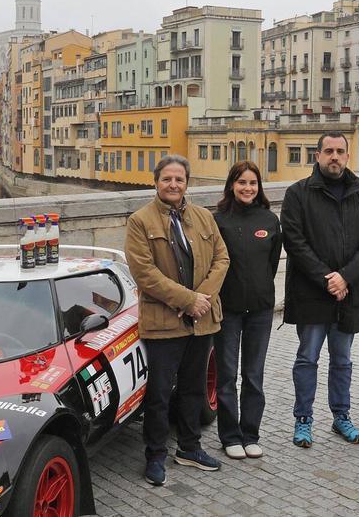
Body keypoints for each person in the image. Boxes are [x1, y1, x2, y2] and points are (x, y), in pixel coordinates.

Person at [124, 155, 230, 486]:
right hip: (162, 322)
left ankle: (189, 447)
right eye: (167, 179)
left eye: (179, 180)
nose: (173, 185)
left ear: (187, 183)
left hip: (201, 320)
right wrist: (186, 300)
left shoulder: (202, 217)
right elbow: (144, 272)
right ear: (156, 182)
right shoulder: (140, 221)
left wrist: (202, 300)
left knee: (193, 389)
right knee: (159, 395)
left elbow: (221, 258)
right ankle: (155, 455)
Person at [281, 131, 359, 448]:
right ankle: (303, 420)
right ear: (318, 155)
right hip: (312, 293)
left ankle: (341, 416)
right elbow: (295, 242)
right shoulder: (298, 193)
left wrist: (345, 278)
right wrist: (328, 277)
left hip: (348, 295)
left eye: (340, 151)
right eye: (328, 151)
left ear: (347, 156)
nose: (334, 156)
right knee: (307, 359)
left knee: (343, 360)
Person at [213, 161, 282, 460]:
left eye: (253, 183)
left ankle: (250, 433)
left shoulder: (269, 220)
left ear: (259, 187)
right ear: (231, 185)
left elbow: (272, 263)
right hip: (227, 310)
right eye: (242, 182)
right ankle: (230, 436)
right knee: (227, 375)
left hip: (260, 311)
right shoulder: (217, 221)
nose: (247, 188)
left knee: (254, 375)